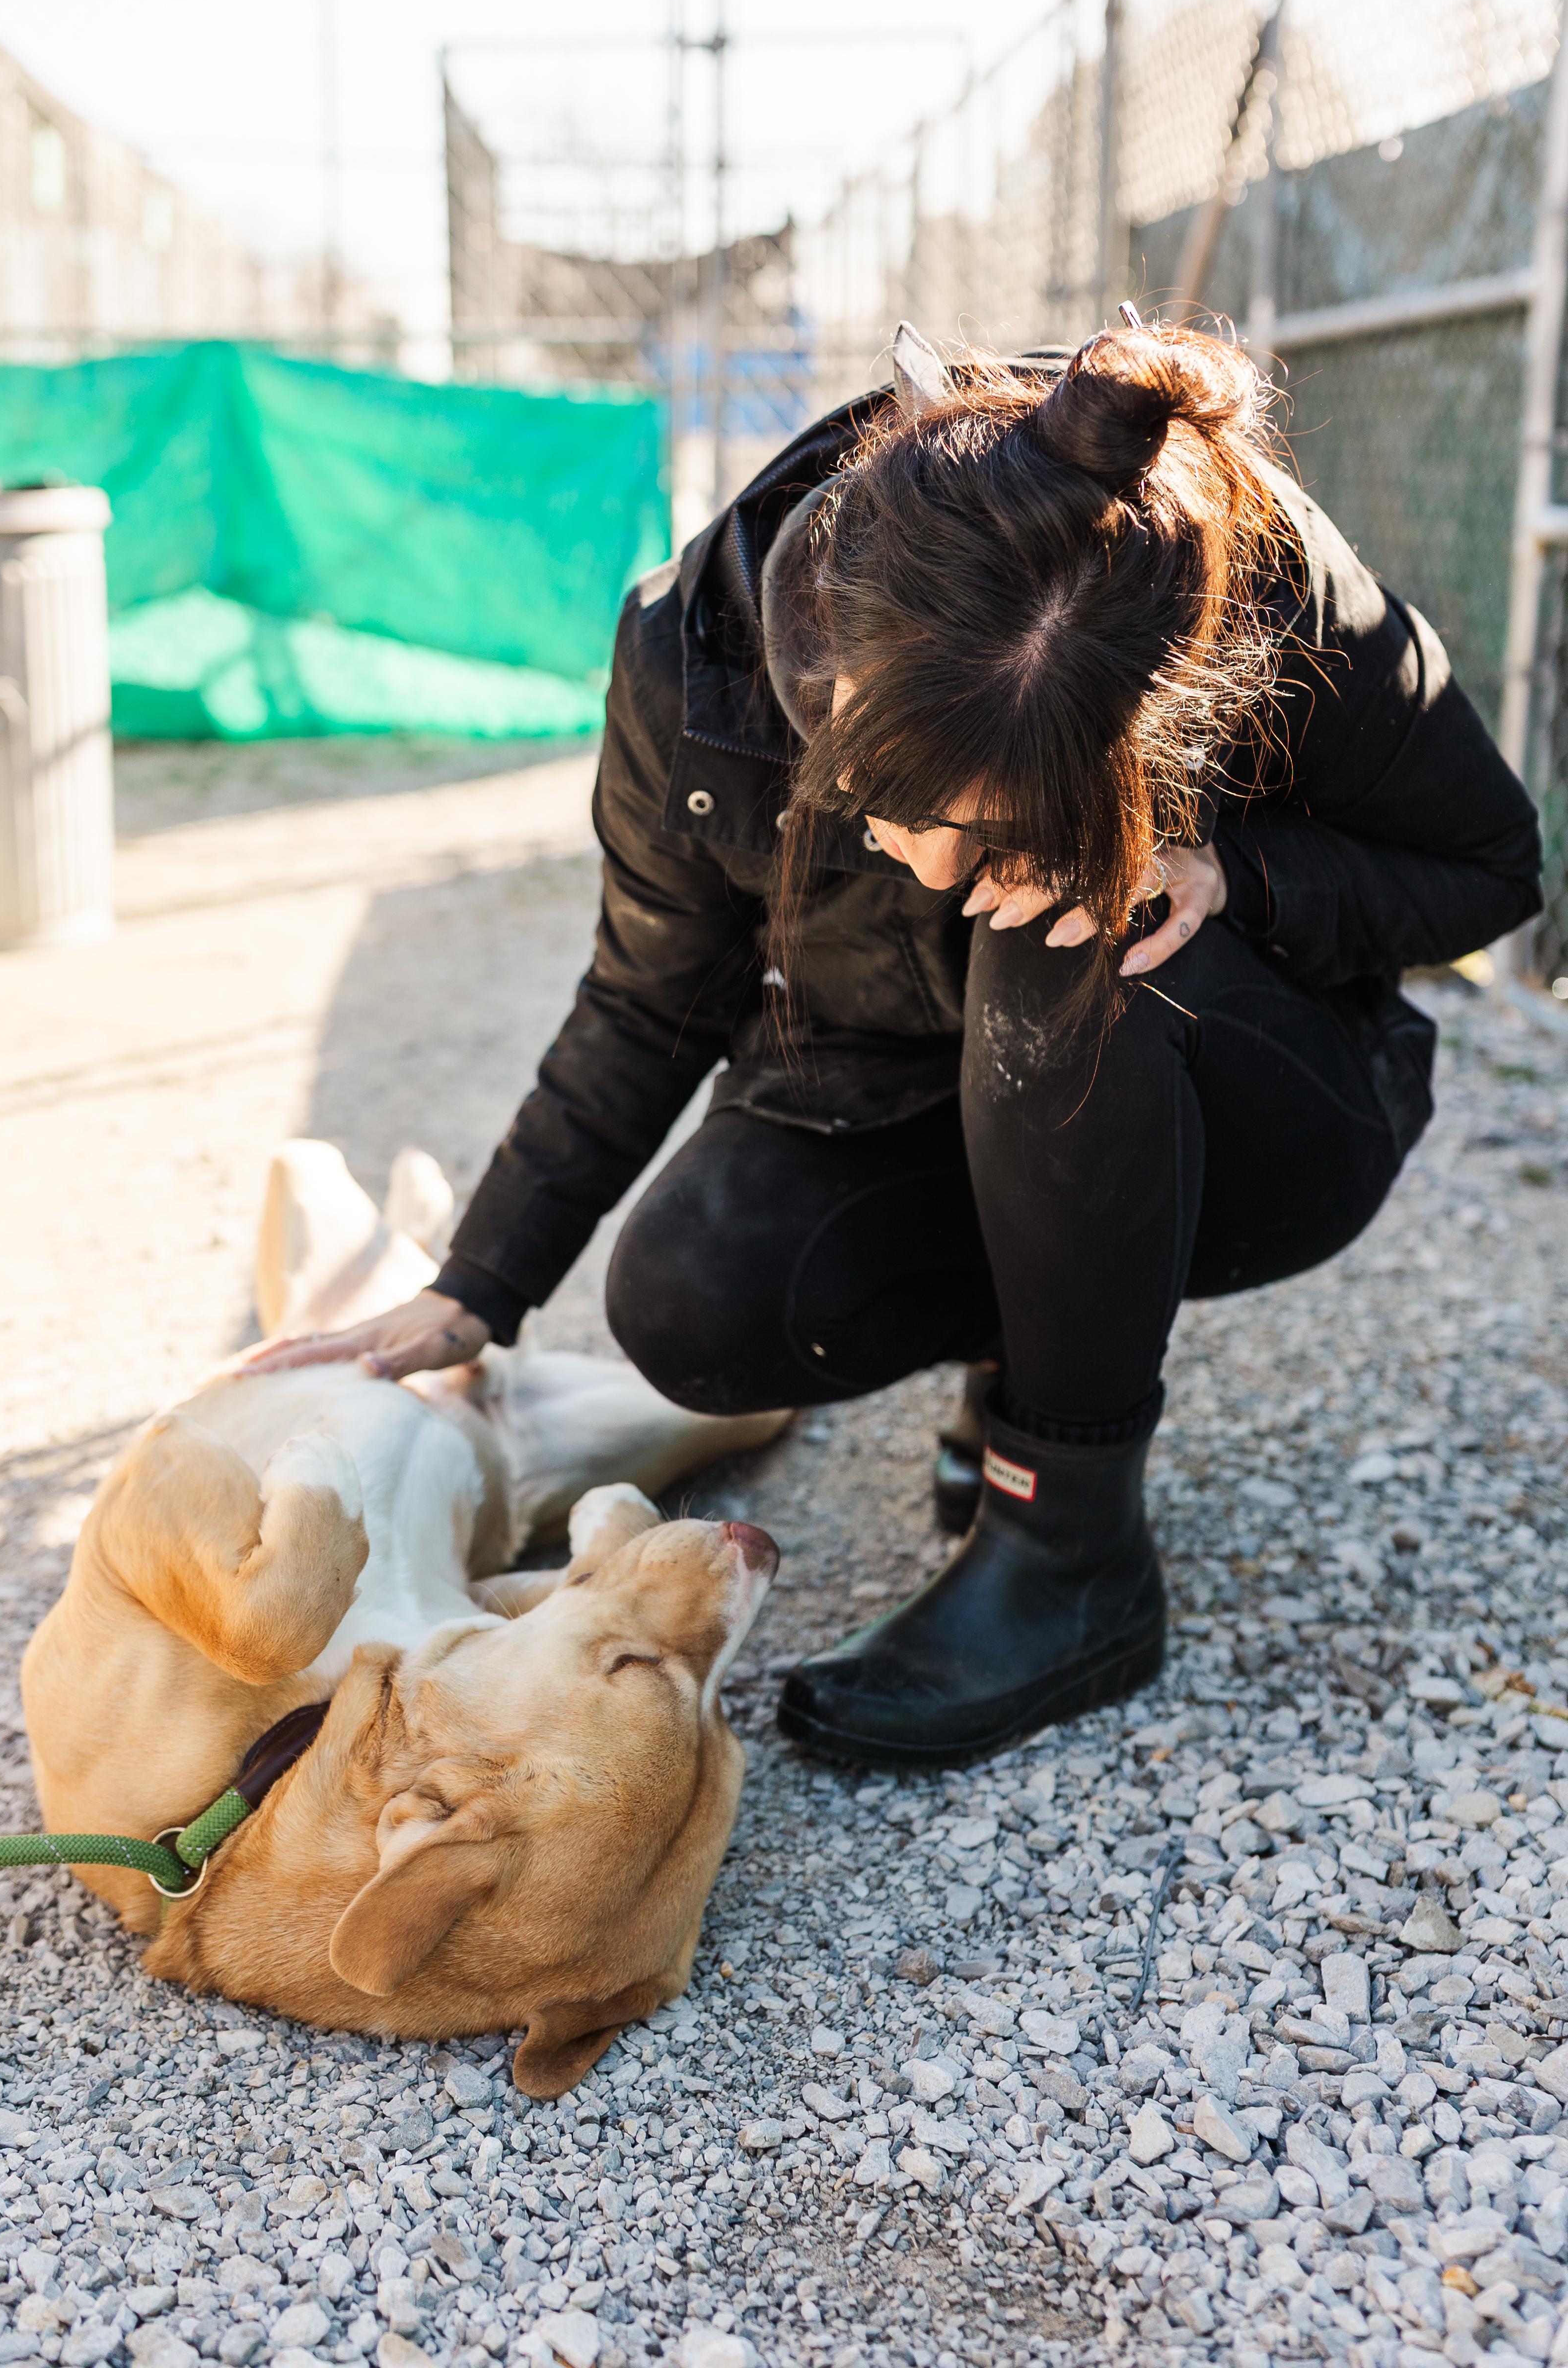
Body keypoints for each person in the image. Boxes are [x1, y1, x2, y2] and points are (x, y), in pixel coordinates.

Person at [246, 320, 1541, 1771]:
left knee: (1070, 922)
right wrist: (478, 1284)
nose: (928, 866)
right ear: (833, 683)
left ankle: (1073, 1562)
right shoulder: (693, 655)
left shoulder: (1250, 572)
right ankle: (1030, 1353)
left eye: (991, 823)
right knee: (691, 1302)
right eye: (901, 801)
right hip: (913, 1093)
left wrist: (1237, 872)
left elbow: (1494, 869)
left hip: (1247, 1104)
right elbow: (647, 992)